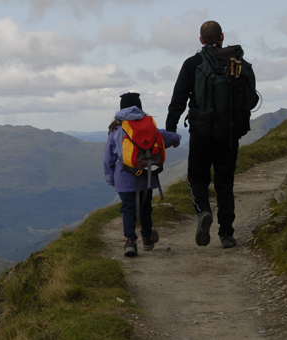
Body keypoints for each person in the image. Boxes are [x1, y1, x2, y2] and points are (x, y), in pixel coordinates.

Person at [165, 20, 250, 249]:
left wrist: (171, 130)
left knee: (197, 177)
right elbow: (250, 99)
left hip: (201, 131)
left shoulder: (193, 63)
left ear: (201, 40)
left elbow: (179, 98)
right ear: (222, 37)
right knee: (225, 183)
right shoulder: (239, 63)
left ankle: (203, 211)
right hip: (229, 132)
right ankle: (227, 234)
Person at [104, 92, 181, 257]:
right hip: (146, 176)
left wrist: (110, 178)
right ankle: (147, 237)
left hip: (124, 177)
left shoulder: (116, 129)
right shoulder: (148, 125)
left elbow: (108, 158)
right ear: (139, 106)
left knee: (128, 209)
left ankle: (130, 241)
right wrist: (177, 138)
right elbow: (164, 137)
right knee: (145, 207)